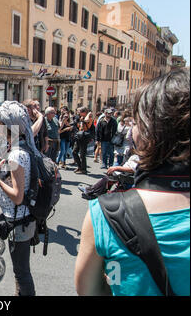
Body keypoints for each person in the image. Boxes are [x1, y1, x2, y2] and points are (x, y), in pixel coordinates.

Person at [75, 68, 190, 296]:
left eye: (136, 121)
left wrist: (117, 277)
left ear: (148, 130)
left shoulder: (106, 214)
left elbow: (88, 291)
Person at [0, 101, 38, 296]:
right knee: (21, 271)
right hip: (24, 219)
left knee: (21, 272)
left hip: (18, 221)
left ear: (8, 126)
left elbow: (18, 197)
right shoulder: (23, 144)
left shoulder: (16, 156)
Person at [72, 107, 93, 174]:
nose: (79, 113)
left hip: (84, 137)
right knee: (74, 152)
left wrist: (87, 114)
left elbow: (87, 121)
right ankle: (80, 166)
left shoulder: (88, 117)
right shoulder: (80, 118)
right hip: (79, 136)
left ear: (84, 112)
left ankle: (83, 169)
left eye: (80, 112)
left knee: (82, 154)